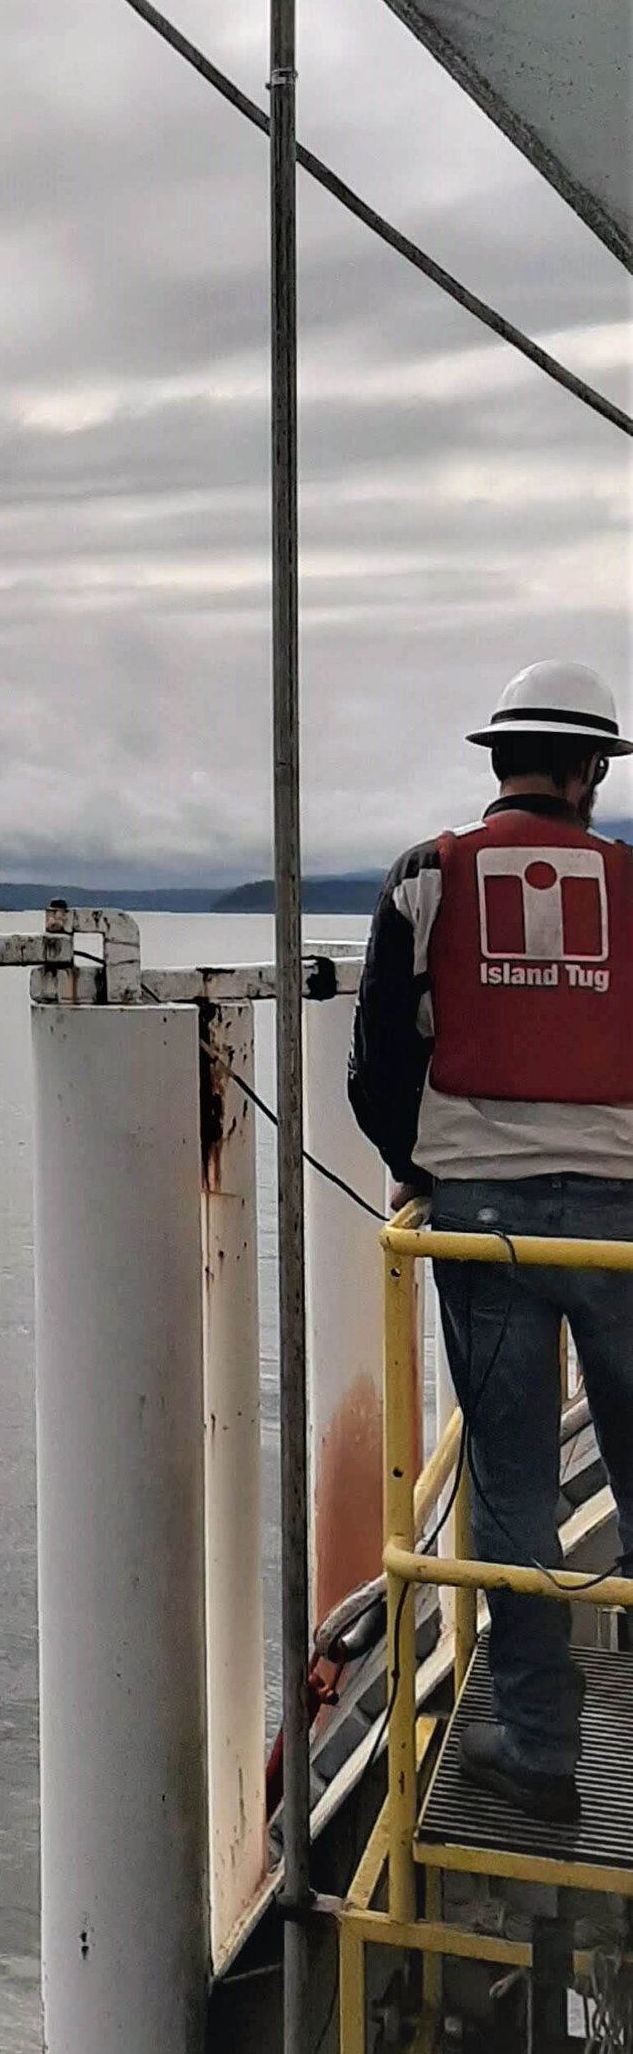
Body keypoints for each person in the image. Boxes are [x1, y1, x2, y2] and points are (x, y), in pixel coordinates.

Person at [349, 660, 633, 1825]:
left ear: (500, 762)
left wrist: (422, 1166)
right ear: (587, 771)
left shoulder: (425, 876)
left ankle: (539, 1756)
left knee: (509, 1488)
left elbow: (375, 1065)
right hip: (622, 1226)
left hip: (477, 1228)